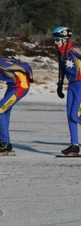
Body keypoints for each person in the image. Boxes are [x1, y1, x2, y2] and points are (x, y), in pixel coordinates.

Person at [52, 26, 81, 156]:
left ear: (65, 39)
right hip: (72, 86)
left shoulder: (74, 50)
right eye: (55, 39)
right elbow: (61, 68)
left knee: (75, 115)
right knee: (69, 116)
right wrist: (59, 84)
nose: (56, 42)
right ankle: (74, 145)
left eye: (58, 39)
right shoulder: (60, 51)